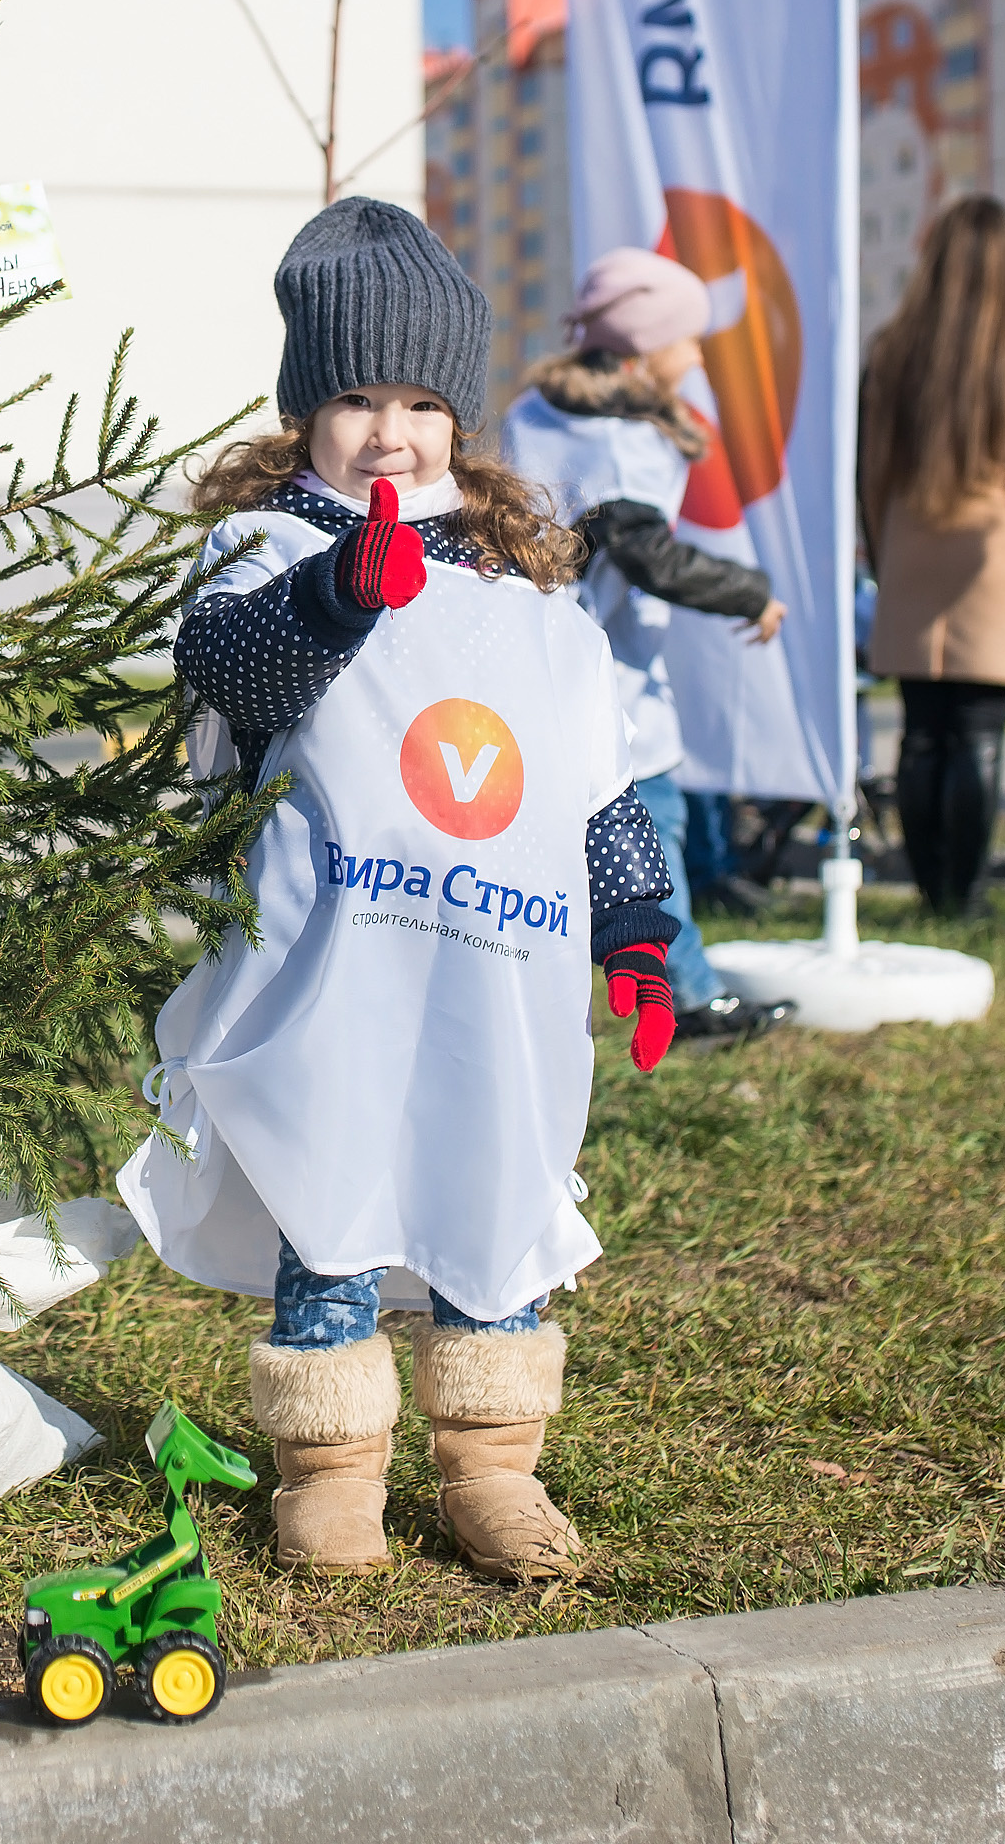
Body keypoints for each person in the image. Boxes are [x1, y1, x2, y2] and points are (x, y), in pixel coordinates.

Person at [129, 197, 681, 1583]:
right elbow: (238, 675)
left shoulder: (522, 592)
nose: (393, 432)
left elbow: (586, 776)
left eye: (424, 402)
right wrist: (336, 598)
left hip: (496, 974)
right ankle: (331, 1472)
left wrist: (639, 931)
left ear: (462, 417)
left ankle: (494, 1467)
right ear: (306, 409)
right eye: (358, 398)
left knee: (494, 1204)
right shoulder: (265, 552)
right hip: (340, 966)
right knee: (340, 1209)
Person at [507, 246, 794, 1045]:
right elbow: (644, 553)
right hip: (609, 677)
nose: (696, 356)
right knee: (651, 833)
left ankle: (549, 1001)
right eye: (687, 340)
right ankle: (688, 1000)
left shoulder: (536, 411)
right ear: (642, 347)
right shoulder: (620, 440)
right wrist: (750, 592)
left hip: (534, 660)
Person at [857, 198, 1005, 917]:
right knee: (980, 737)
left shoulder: (893, 349)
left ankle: (928, 889)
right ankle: (966, 894)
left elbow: (867, 467)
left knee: (923, 734)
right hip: (1004, 551)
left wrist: (880, 547)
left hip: (913, 550)